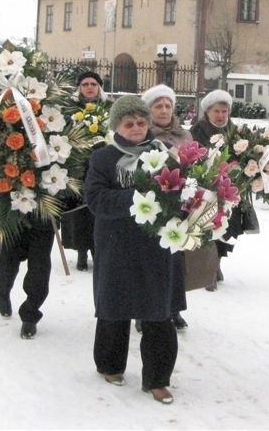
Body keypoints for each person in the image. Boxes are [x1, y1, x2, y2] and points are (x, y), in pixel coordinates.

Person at [85, 95, 185, 404]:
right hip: (117, 243)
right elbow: (96, 199)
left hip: (157, 247)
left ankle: (158, 379)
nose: (136, 128)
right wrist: (136, 198)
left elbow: (181, 192)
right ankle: (110, 364)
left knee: (159, 312)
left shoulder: (166, 155)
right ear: (117, 125)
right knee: (115, 307)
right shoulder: (103, 158)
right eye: (129, 123)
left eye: (141, 122)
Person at [190, 89, 259, 288]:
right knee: (209, 227)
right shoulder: (198, 131)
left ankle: (217, 263)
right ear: (208, 112)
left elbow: (245, 155)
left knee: (227, 229)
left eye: (224, 111)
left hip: (231, 190)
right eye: (216, 111)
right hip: (207, 190)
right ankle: (209, 270)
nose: (221, 116)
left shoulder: (235, 132)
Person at [137, 84, 191, 331]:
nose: (164, 110)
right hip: (151, 207)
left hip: (178, 207)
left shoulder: (185, 136)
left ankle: (175, 308)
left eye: (168, 105)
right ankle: (143, 311)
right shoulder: (143, 135)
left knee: (175, 261)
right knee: (148, 262)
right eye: (158, 106)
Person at [61, 71, 111, 271]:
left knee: (98, 209)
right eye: (85, 84)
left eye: (93, 84)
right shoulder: (71, 109)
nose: (89, 87)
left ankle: (97, 249)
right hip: (78, 165)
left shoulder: (108, 108)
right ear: (79, 88)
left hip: (102, 166)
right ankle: (82, 250)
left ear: (99, 87)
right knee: (80, 210)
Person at [0, 220, 55, 340]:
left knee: (39, 268)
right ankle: (1, 292)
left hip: (43, 217)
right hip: (10, 218)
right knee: (5, 265)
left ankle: (30, 314)